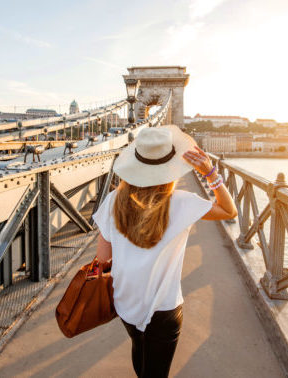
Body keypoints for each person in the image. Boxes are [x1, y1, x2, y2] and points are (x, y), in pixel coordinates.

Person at [92, 125, 237, 378]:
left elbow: (102, 259)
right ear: (171, 168)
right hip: (163, 307)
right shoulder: (182, 203)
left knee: (140, 351)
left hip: (125, 300)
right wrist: (210, 173)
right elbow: (229, 211)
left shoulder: (114, 200)